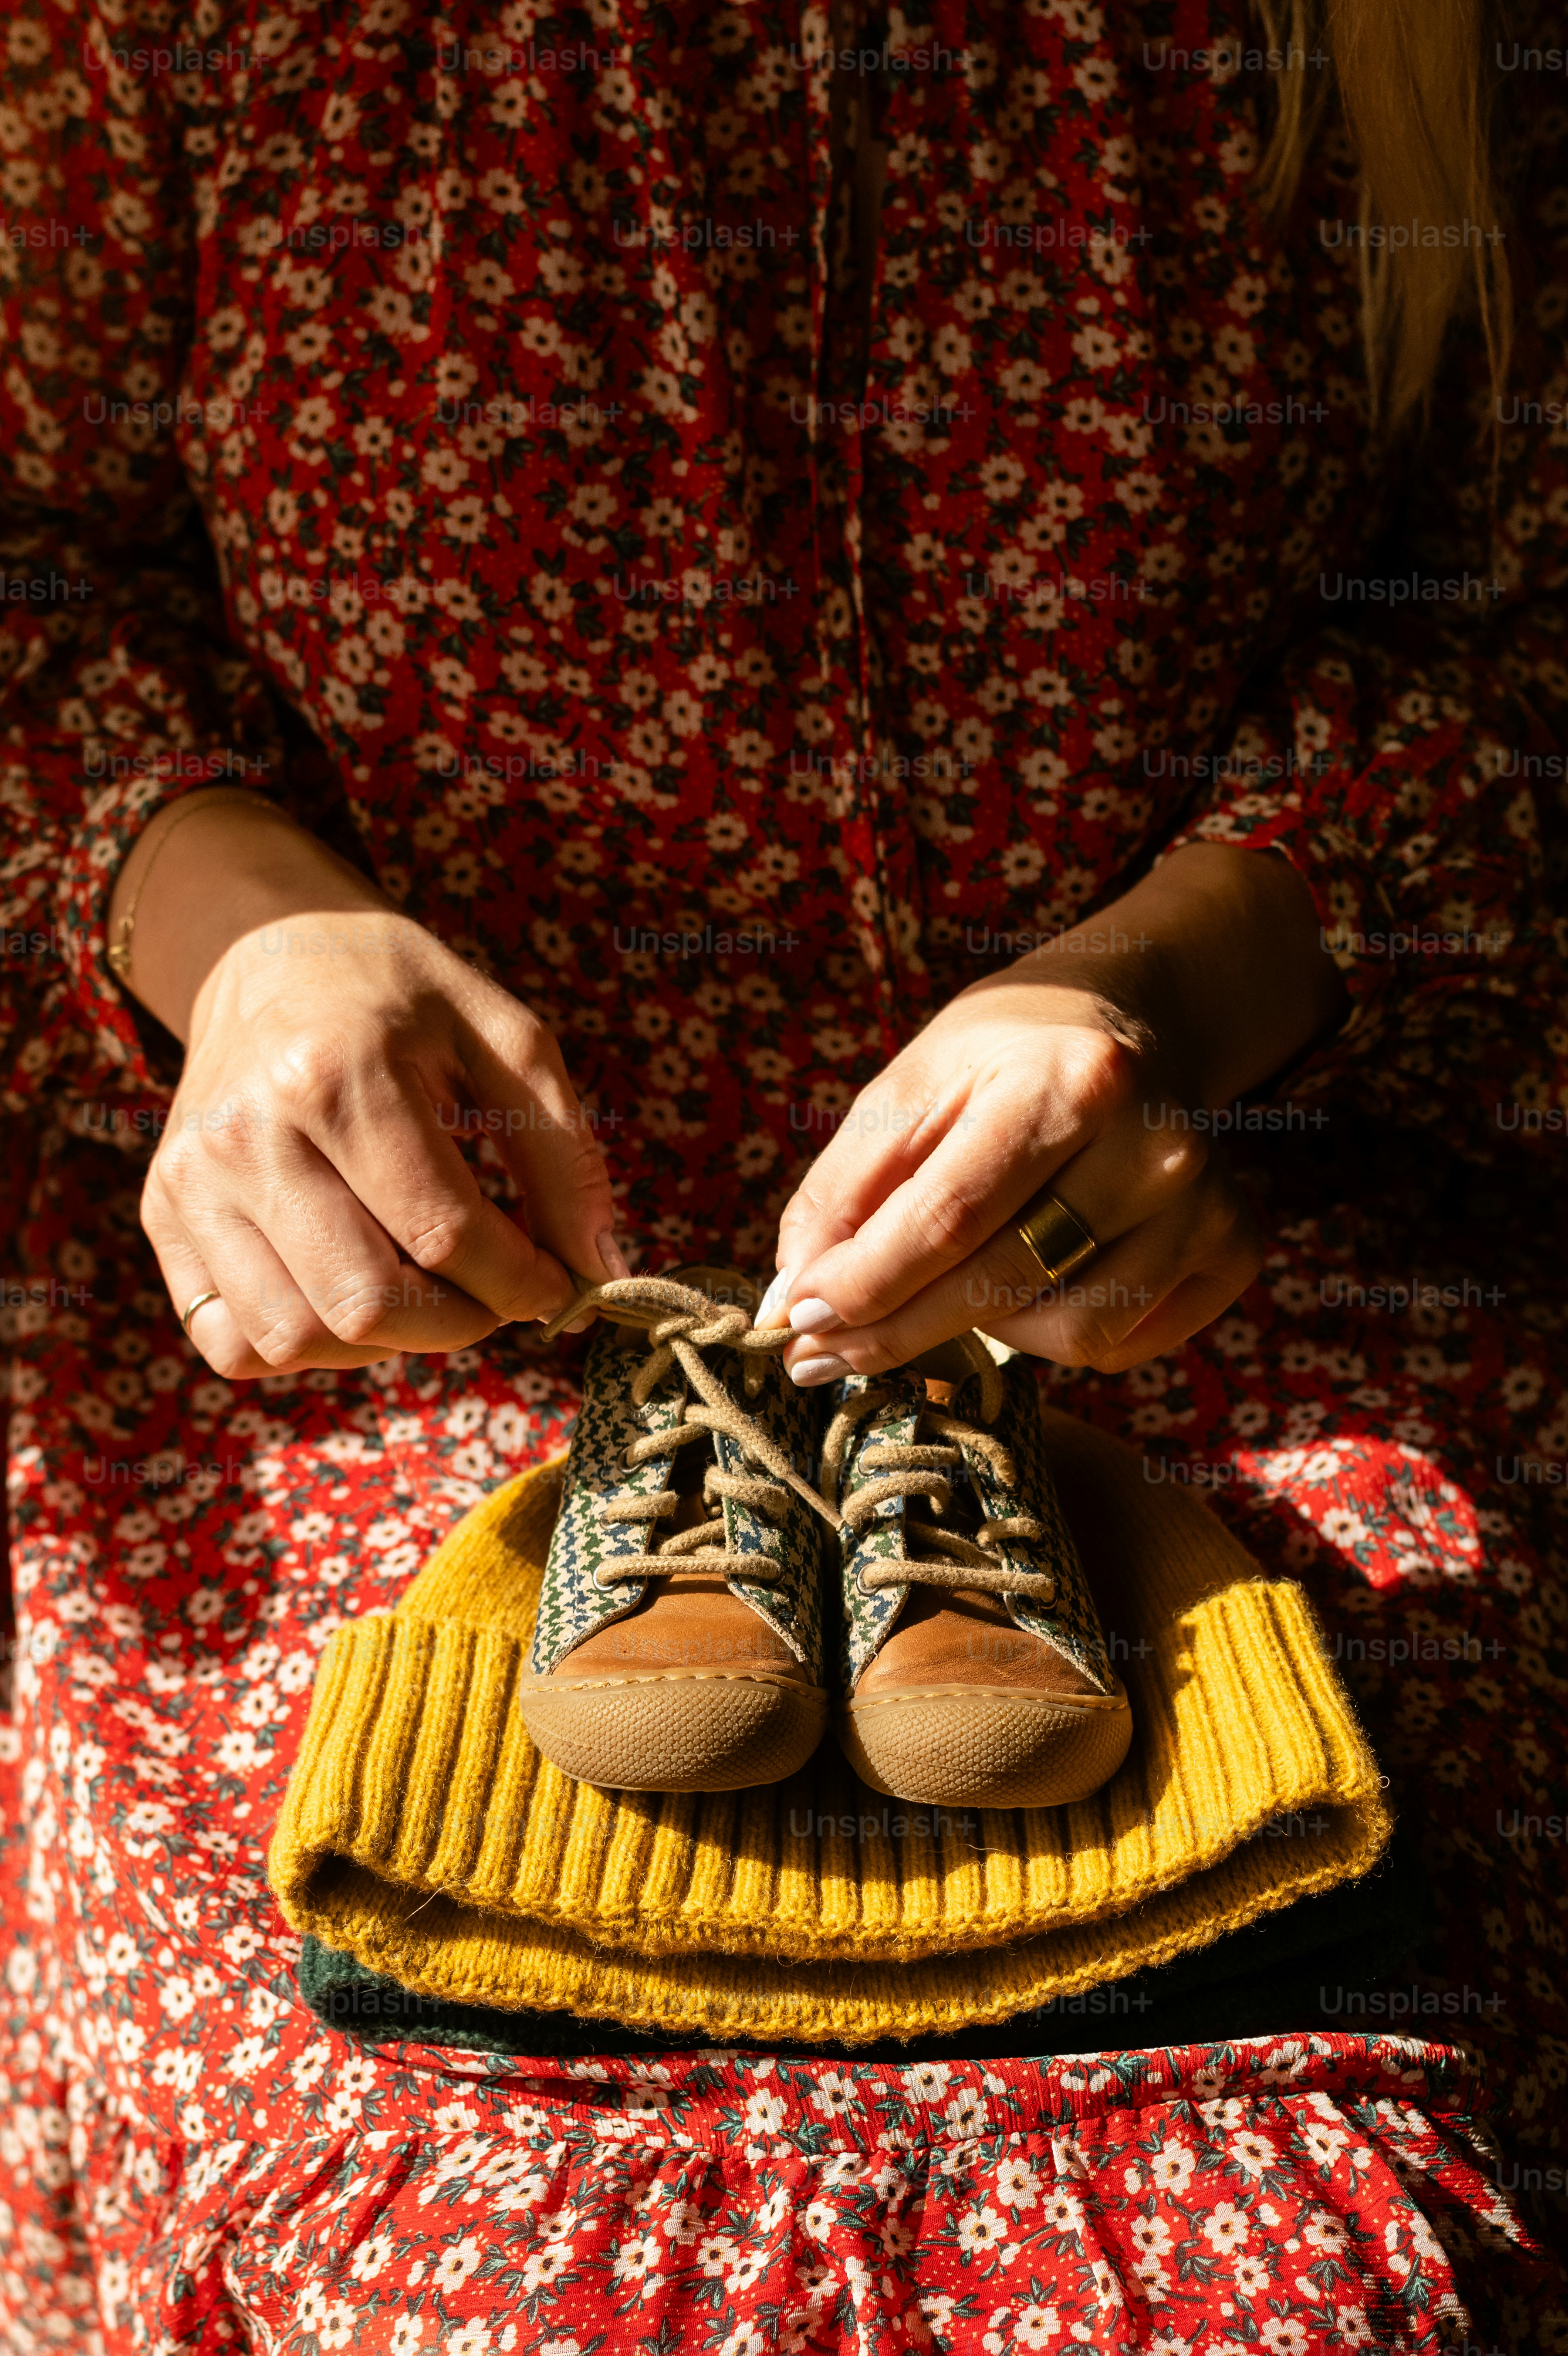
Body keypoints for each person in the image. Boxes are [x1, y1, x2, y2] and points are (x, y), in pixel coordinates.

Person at [2, 0, 1566, 2341]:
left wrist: (1182, 999)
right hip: (372, 1305)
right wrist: (233, 941)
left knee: (1312, 2241)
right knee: (445, 2221)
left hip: (1239, 1257)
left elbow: (1524, 635)